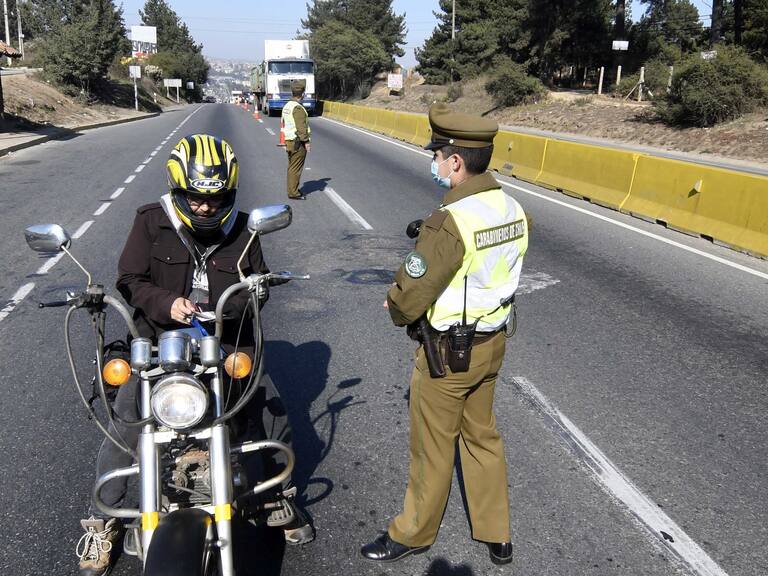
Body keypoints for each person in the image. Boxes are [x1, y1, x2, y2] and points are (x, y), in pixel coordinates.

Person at [76, 134, 314, 576]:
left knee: (267, 402)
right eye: (195, 199)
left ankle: (277, 496)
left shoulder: (245, 229)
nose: (204, 208)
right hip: (158, 342)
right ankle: (102, 520)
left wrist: (239, 299)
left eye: (215, 198)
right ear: (177, 190)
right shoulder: (151, 221)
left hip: (220, 342)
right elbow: (129, 278)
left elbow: (256, 288)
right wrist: (168, 304)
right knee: (127, 418)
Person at [360, 103, 529, 566]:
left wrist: (396, 305)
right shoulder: (512, 207)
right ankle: (497, 534)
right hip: (492, 344)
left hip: (448, 354)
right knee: (483, 437)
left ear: (455, 161)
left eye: (437, 154)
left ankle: (412, 533)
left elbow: (414, 289)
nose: (433, 162)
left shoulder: (450, 221)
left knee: (433, 448)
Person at [282, 79, 311, 200]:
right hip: (297, 142)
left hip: (289, 140)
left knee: (292, 167)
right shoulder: (298, 108)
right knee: (295, 168)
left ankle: (292, 189)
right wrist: (307, 142)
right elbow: (301, 127)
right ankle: (293, 192)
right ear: (302, 93)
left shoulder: (287, 105)